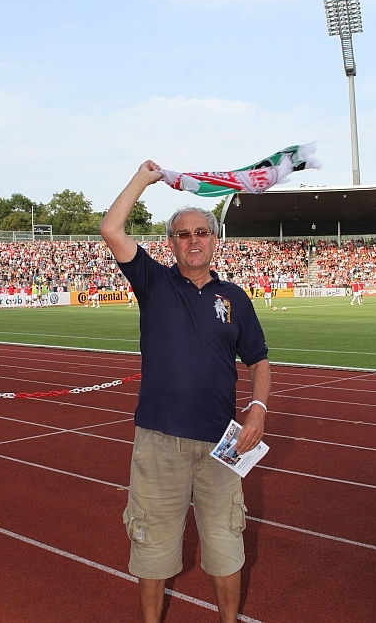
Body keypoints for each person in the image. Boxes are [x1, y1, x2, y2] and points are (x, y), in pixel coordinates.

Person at [100, 160, 270, 623]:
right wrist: (143, 178)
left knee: (226, 544)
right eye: (182, 234)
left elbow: (259, 360)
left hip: (222, 443)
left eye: (201, 232)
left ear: (215, 240)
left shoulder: (235, 297)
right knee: (152, 546)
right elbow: (111, 228)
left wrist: (257, 410)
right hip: (160, 442)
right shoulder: (154, 282)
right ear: (171, 243)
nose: (193, 240)